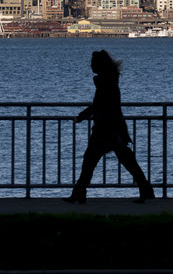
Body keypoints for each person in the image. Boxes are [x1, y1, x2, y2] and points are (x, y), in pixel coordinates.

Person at [65, 50, 155, 204]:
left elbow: (99, 105)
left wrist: (82, 116)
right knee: (126, 161)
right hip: (113, 128)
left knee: (90, 162)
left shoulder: (106, 83)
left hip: (106, 129)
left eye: (93, 63)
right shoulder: (109, 80)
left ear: (99, 65)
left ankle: (78, 194)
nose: (90, 66)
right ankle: (146, 190)